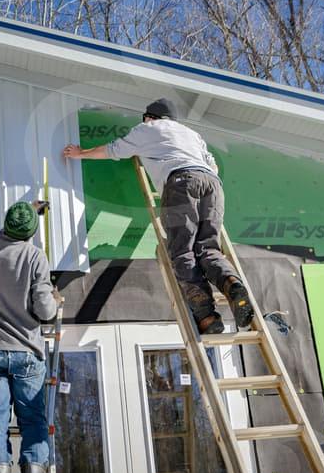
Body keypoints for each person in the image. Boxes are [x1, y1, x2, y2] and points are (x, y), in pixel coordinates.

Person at [62, 98, 254, 333]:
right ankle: (232, 284)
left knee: (182, 251)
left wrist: (80, 153)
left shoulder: (148, 128)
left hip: (181, 183)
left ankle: (207, 317)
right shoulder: (192, 134)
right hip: (213, 185)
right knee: (209, 248)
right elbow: (213, 166)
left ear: (149, 117)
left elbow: (113, 150)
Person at [0, 200, 59, 473]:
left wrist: (27, 213)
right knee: (33, 423)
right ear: (31, 233)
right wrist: (53, 298)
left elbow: (2, 235)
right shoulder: (35, 257)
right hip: (26, 353)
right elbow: (45, 311)